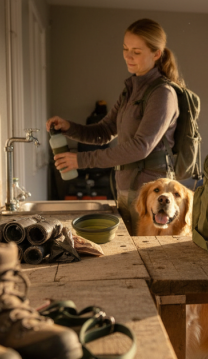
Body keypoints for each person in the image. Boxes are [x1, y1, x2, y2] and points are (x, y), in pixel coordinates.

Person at [46, 18, 182, 234]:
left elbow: (140, 147)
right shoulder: (131, 89)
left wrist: (81, 160)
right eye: (125, 48)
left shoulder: (162, 94)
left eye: (136, 51)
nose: (128, 56)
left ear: (156, 54)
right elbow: (104, 132)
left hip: (152, 194)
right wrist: (69, 127)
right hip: (126, 188)